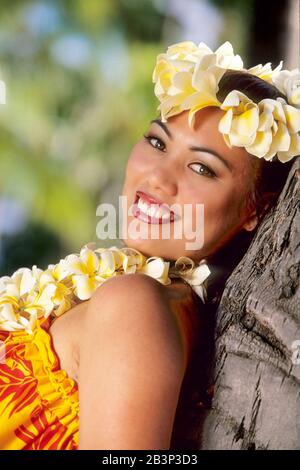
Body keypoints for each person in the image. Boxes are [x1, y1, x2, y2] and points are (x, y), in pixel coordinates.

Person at [0, 40, 299, 450]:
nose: (158, 177)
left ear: (256, 212)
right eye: (158, 142)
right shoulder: (128, 293)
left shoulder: (135, 307)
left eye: (201, 168)